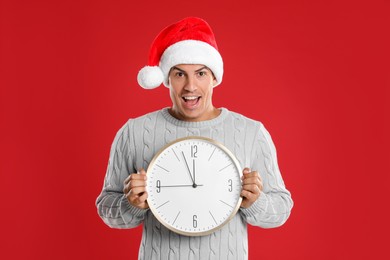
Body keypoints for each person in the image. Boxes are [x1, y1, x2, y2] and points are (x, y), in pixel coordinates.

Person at [96, 17, 293, 259]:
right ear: (167, 78)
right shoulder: (134, 132)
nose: (190, 86)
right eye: (180, 74)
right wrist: (130, 205)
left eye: (200, 73)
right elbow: (106, 207)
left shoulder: (251, 132)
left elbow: (281, 210)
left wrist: (256, 202)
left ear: (214, 77)